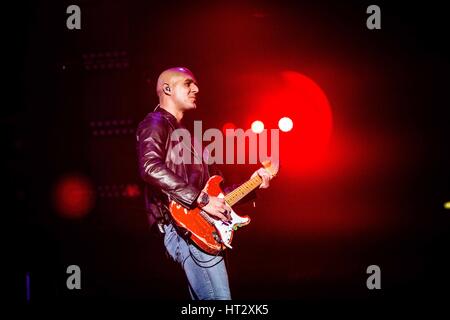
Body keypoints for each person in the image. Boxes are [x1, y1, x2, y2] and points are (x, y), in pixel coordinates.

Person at [136, 67, 272, 300]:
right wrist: (202, 199)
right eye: (188, 84)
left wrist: (254, 184)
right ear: (167, 89)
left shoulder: (190, 138)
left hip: (202, 227)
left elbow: (217, 194)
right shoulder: (155, 122)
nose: (196, 89)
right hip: (183, 226)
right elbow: (150, 167)